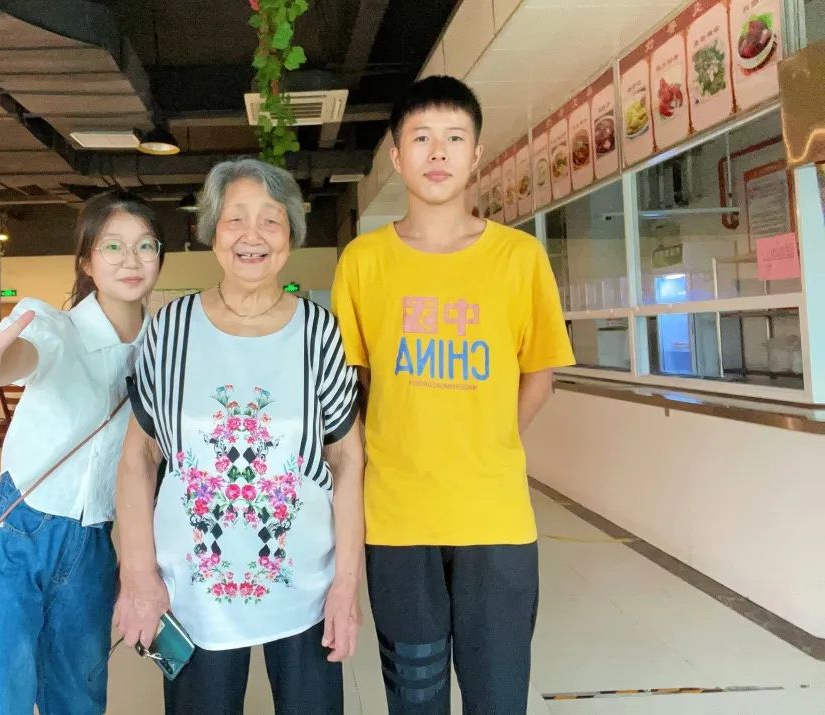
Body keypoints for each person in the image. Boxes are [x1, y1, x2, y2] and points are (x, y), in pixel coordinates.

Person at [331, 76, 575, 714]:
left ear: (476, 154)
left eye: (454, 138)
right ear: (396, 156)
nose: (437, 152)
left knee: (497, 697)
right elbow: (352, 383)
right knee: (415, 697)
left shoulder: (519, 257)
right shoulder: (362, 262)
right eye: (421, 138)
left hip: (494, 518)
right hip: (396, 519)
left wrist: (488, 438)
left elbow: (540, 375)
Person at [114, 158, 365, 715]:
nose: (253, 235)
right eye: (235, 219)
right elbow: (138, 456)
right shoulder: (170, 328)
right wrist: (138, 576)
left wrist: (346, 585)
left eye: (271, 220)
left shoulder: (319, 331)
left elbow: (347, 457)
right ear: (212, 231)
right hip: (192, 591)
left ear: (291, 235)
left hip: (305, 588)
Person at [0, 193, 164, 714]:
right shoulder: (57, 327)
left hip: (93, 545)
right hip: (19, 530)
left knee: (77, 701)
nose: (130, 259)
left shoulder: (160, 349)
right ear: (86, 262)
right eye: (112, 246)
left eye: (145, 245)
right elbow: (25, 352)